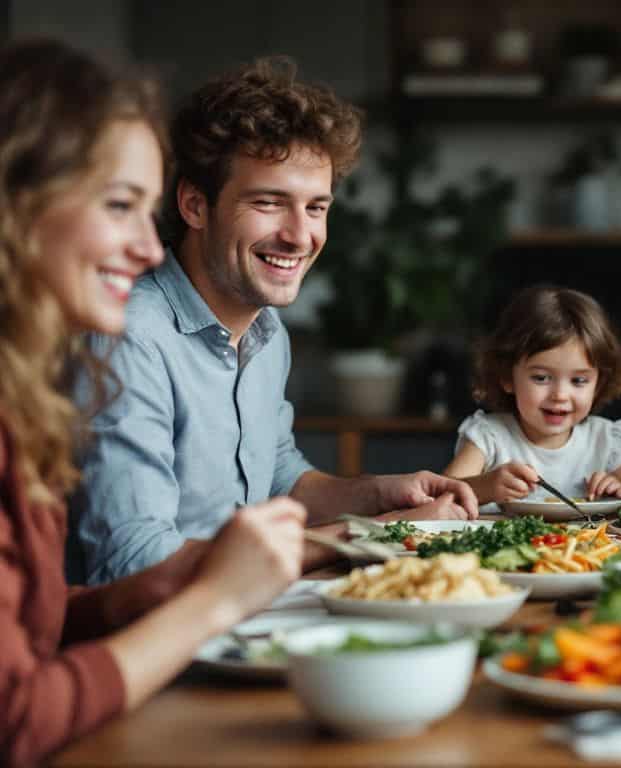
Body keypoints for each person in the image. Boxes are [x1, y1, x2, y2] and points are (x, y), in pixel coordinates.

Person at [0, 40, 307, 765]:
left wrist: (153, 590)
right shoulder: (121, 345)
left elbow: (28, 634)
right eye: (119, 207)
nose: (147, 248)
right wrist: (214, 603)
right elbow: (14, 722)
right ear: (17, 207)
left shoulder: (22, 401)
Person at [68, 57, 477, 585]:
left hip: (250, 615)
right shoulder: (128, 339)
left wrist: (380, 493)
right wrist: (373, 533)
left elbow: (279, 479)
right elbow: (133, 564)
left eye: (315, 207)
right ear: (195, 204)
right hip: (161, 646)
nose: (299, 235)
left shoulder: (265, 331)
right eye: (269, 202)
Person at [445, 285, 621, 503]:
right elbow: (440, 496)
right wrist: (485, 487)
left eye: (578, 380)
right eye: (541, 378)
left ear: (598, 384)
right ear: (507, 377)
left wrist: (618, 494)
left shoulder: (603, 440)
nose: (560, 395)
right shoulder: (489, 437)